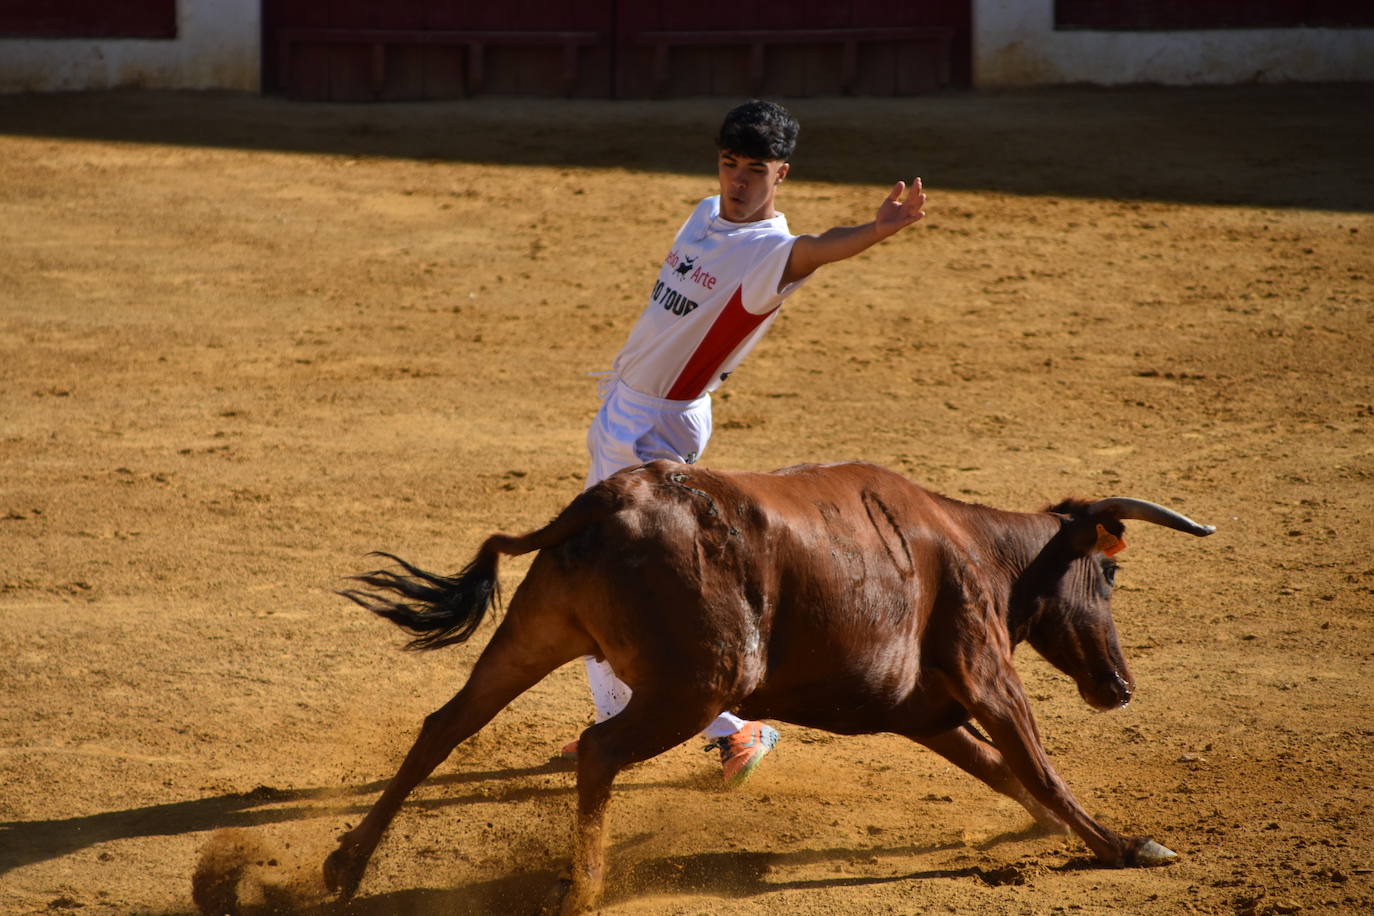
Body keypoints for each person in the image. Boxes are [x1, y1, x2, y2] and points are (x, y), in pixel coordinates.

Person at [567, 99, 927, 787]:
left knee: (610, 576)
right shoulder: (704, 214)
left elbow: (815, 250)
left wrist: (877, 230)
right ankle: (621, 724)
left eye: (755, 169)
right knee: (599, 573)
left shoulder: (769, 255)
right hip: (631, 408)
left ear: (780, 174)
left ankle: (731, 729)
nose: (738, 180)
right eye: (730, 164)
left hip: (657, 421)